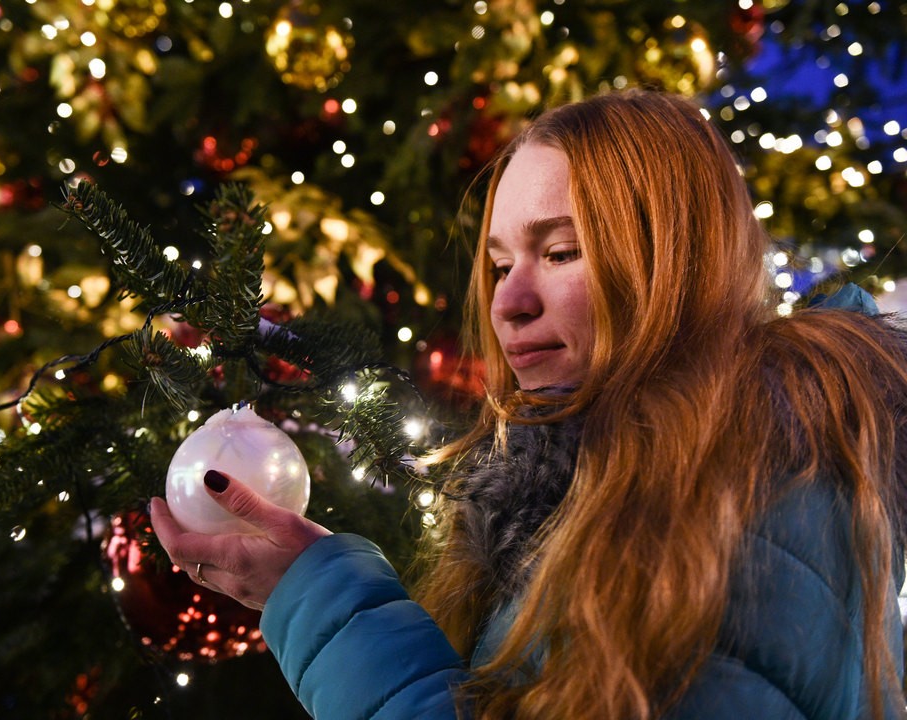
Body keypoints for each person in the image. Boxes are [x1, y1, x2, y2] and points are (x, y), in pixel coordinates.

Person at [150, 89, 907, 720]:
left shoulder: (759, 488)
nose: (507, 302)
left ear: (674, 260)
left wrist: (318, 598)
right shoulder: (605, 483)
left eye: (559, 252)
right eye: (501, 261)